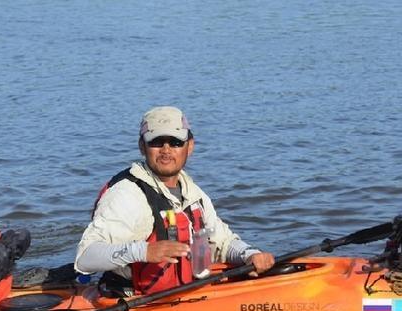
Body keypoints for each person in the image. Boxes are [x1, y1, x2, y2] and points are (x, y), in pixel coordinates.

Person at [75, 106, 275, 296]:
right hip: (136, 299)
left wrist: (250, 255)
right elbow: (86, 258)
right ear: (142, 147)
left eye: (175, 142)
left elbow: (222, 242)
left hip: (190, 291)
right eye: (156, 142)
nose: (166, 150)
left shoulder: (193, 192)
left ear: (190, 147)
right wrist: (144, 251)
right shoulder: (127, 195)